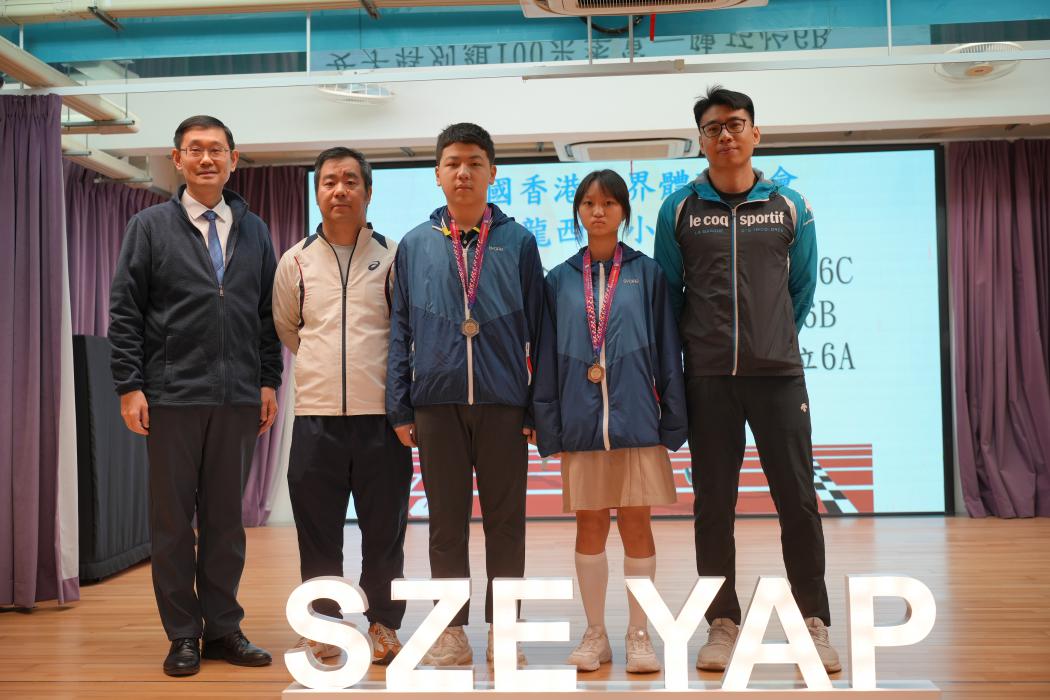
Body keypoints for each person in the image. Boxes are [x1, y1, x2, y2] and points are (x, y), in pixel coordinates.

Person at [653, 85, 841, 674]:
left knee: (798, 501)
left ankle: (813, 621)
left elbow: (800, 289)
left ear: (755, 134)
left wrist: (771, 340)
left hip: (778, 378)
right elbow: (668, 294)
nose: (725, 135)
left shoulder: (789, 206)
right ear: (701, 140)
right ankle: (722, 622)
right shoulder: (679, 209)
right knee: (713, 505)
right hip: (708, 379)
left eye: (735, 124)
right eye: (713, 128)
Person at [109, 115, 282, 677]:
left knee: (227, 524)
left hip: (237, 399)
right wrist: (130, 385)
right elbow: (126, 311)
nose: (207, 159)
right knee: (173, 525)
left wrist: (268, 380)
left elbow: (267, 315)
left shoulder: (255, 231)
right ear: (177, 159)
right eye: (195, 149)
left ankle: (225, 629)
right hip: (171, 397)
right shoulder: (149, 227)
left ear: (234, 158)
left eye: (216, 150)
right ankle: (183, 634)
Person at [386, 122, 544, 667]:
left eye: (475, 163)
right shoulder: (415, 245)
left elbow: (541, 331)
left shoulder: (519, 243)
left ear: (492, 172)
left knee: (507, 525)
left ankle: (505, 632)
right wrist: (400, 405)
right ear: (437, 174)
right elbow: (400, 330)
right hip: (437, 405)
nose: (463, 172)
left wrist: (537, 406)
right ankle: (450, 632)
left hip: (504, 404)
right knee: (445, 526)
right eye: (452, 163)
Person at [534, 170, 687, 674]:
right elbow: (545, 358)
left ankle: (639, 633)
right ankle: (595, 632)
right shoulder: (558, 280)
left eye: (609, 203)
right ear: (577, 211)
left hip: (637, 420)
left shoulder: (648, 274)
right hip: (582, 423)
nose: (598, 212)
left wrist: (673, 418)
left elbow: (668, 349)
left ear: (624, 211)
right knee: (590, 523)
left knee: (638, 523)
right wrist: (549, 422)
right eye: (589, 203)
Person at [272, 147, 413, 665]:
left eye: (351, 181)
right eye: (329, 181)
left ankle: (383, 625)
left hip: (382, 421)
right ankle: (323, 625)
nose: (340, 190)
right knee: (318, 533)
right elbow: (289, 328)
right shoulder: (295, 260)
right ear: (317, 193)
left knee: (385, 533)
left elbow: (405, 333)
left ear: (368, 192)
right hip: (317, 418)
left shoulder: (394, 257)